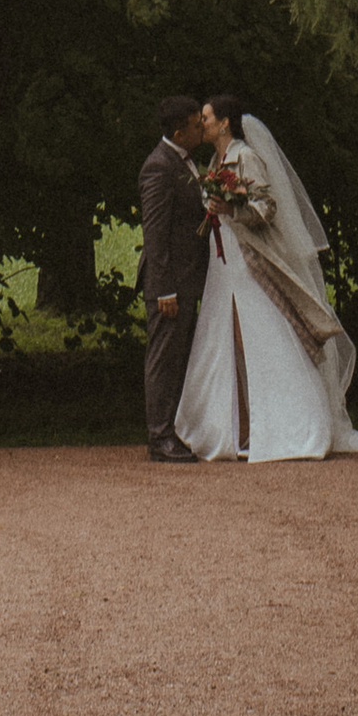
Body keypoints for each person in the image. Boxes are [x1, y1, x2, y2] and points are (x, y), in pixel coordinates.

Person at [176, 93, 358, 463]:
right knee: (228, 337)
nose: (200, 123)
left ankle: (289, 424)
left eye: (206, 117)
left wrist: (232, 207)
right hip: (225, 262)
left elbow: (266, 208)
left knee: (262, 333)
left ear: (224, 123)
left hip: (249, 259)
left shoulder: (246, 156)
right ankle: (237, 427)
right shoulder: (216, 159)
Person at [137, 91, 209, 462]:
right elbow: (155, 233)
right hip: (169, 284)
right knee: (164, 358)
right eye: (197, 125)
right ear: (180, 132)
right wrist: (164, 288)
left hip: (186, 279)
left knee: (178, 355)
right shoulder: (160, 166)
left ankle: (172, 430)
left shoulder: (184, 161)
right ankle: (160, 437)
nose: (203, 129)